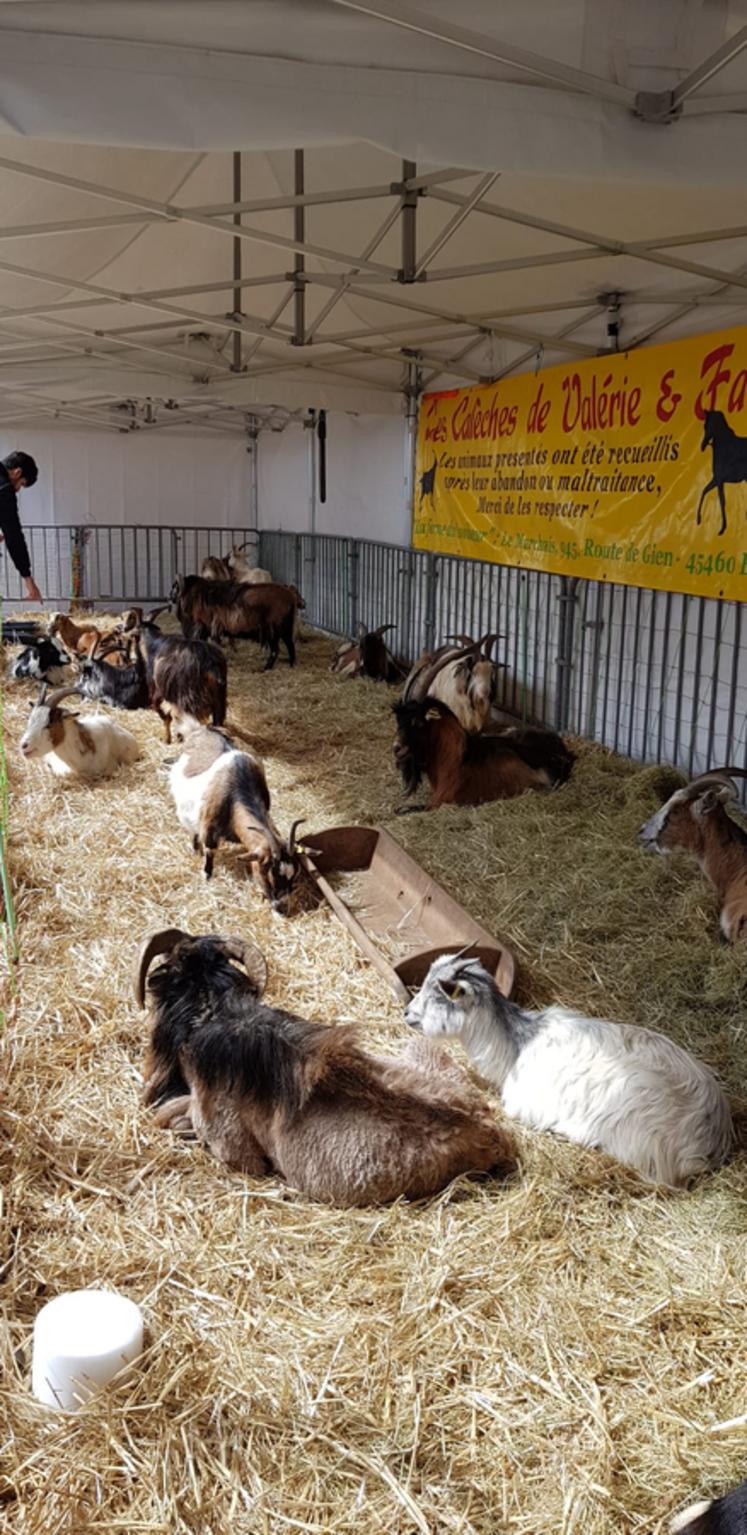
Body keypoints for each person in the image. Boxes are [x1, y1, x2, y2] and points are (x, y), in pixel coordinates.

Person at [0, 449, 43, 604]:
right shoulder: (4, 490)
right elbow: (14, 536)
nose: (17, 490)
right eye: (22, 484)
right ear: (17, 472)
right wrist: (28, 579)